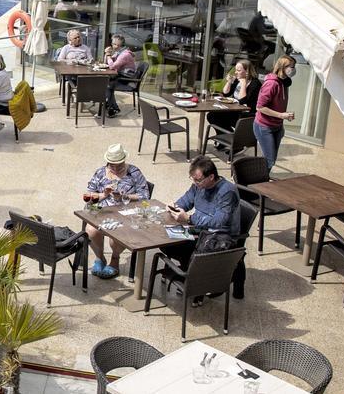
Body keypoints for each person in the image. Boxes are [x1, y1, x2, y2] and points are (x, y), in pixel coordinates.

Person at [82, 144, 151, 279]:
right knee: (91, 231)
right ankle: (100, 258)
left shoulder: (134, 173)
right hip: (101, 211)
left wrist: (125, 197)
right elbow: (89, 196)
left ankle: (115, 259)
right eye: (111, 165)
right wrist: (103, 195)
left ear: (124, 161)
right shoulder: (101, 172)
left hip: (126, 213)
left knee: (116, 237)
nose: (115, 169)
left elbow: (145, 196)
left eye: (118, 166)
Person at [164, 156, 241, 273]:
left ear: (211, 177)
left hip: (218, 237)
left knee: (181, 249)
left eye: (198, 180)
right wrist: (174, 207)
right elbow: (186, 201)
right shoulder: (198, 186)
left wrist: (189, 218)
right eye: (193, 179)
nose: (195, 183)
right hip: (199, 231)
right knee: (165, 241)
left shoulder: (227, 192)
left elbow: (218, 222)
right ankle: (188, 270)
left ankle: (192, 275)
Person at [254, 56, 296, 170]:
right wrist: (281, 115)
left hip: (277, 126)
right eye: (291, 67)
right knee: (270, 159)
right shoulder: (272, 84)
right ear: (283, 67)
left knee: (270, 158)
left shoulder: (284, 83)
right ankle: (258, 180)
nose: (293, 69)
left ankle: (260, 178)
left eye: (294, 67)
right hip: (264, 126)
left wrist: (283, 117)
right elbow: (260, 107)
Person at [207, 59, 261, 134]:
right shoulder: (238, 80)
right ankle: (226, 135)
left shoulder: (255, 84)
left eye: (238, 70)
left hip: (246, 115)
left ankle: (227, 137)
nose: (235, 72)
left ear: (247, 72)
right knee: (211, 115)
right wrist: (229, 82)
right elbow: (225, 93)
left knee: (215, 117)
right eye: (236, 70)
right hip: (235, 111)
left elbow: (242, 101)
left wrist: (243, 84)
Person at [104, 35, 136, 117]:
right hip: (121, 76)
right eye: (114, 44)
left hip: (127, 79)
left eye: (117, 45)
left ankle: (114, 109)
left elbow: (112, 66)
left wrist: (108, 55)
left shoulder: (124, 55)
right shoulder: (119, 52)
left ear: (121, 45)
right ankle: (109, 103)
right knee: (106, 82)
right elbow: (107, 62)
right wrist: (107, 54)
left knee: (108, 86)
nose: (115, 46)